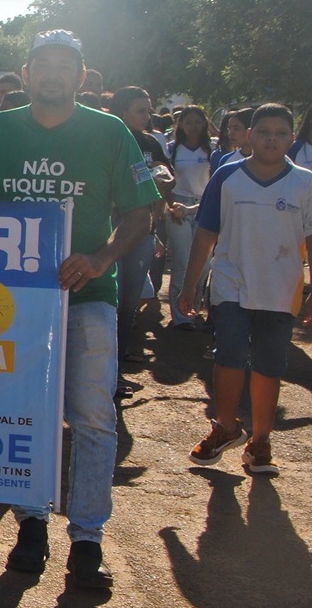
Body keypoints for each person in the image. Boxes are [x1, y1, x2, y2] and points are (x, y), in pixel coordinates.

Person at [0, 30, 161, 589]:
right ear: (26, 75)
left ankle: (88, 539)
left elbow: (142, 212)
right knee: (23, 414)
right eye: (42, 64)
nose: (52, 73)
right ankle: (30, 522)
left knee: (93, 418)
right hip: (14, 305)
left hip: (88, 299)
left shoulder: (110, 131)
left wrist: (100, 258)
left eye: (63, 65)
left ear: (81, 76)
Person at [182, 104, 312, 478]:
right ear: (250, 135)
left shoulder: (304, 183)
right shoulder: (227, 176)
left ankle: (260, 442)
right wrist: (189, 285)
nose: (272, 139)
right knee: (229, 356)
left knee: (269, 367)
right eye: (264, 132)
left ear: (292, 139)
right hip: (231, 284)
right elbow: (206, 234)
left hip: (281, 289)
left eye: (281, 133)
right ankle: (226, 426)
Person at [110, 87, 175, 369]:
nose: (147, 116)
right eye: (140, 111)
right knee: (111, 299)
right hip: (110, 229)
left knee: (129, 302)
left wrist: (163, 183)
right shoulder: (107, 139)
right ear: (123, 111)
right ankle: (104, 366)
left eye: (149, 111)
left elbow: (167, 177)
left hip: (143, 231)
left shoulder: (151, 143)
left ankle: (119, 362)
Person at [164, 105, 215, 329]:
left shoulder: (213, 149)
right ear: (180, 125)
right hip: (178, 208)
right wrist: (171, 205)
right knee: (182, 261)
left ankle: (193, 306)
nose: (193, 127)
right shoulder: (172, 150)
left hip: (205, 207)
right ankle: (181, 316)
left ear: (205, 124)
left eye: (198, 122)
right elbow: (163, 181)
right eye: (188, 123)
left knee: (204, 264)